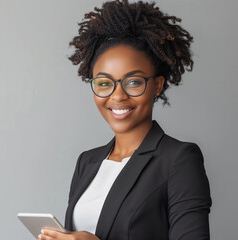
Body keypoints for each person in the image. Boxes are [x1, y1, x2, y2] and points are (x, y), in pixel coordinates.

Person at [38, 0, 211, 239]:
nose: (117, 96)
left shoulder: (178, 160)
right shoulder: (87, 162)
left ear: (157, 85)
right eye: (104, 83)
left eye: (133, 82)